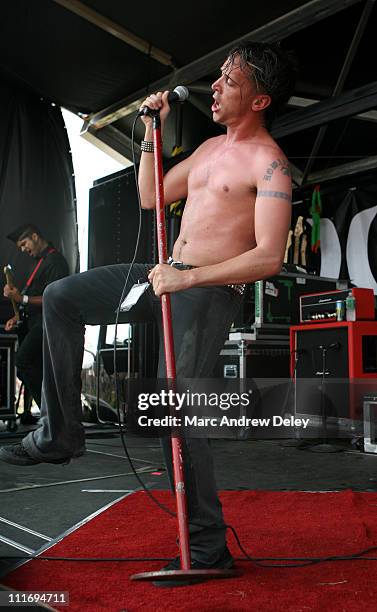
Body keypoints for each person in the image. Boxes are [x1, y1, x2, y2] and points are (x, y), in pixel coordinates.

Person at [0, 42, 296, 581]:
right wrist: (150, 136)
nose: (217, 87)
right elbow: (150, 197)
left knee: (173, 413)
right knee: (64, 297)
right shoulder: (208, 150)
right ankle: (61, 432)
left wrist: (191, 277)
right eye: (221, 76)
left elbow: (269, 257)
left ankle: (208, 547)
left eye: (231, 80)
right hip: (165, 275)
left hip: (205, 290)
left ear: (259, 100)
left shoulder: (271, 164)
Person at [2, 224, 69, 423]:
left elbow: (54, 298)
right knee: (29, 367)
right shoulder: (39, 262)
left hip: (49, 323)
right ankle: (49, 416)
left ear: (35, 236)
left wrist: (21, 299)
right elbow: (31, 298)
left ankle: (51, 416)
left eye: (24, 244)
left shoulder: (56, 261)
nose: (23, 249)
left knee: (23, 361)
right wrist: (17, 315)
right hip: (34, 323)